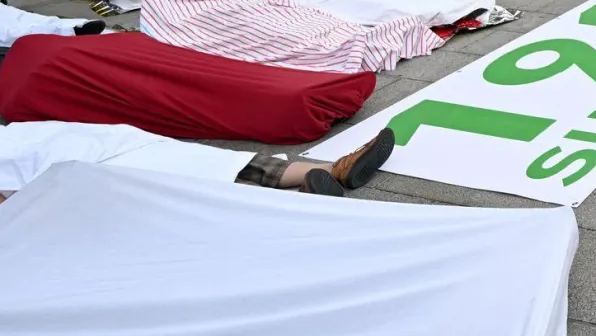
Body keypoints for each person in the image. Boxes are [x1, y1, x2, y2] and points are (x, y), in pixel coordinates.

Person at [0, 122, 397, 200]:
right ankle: (313, 184)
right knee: (166, 177)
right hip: (51, 172)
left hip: (51, 146)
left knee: (174, 161)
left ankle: (325, 176)